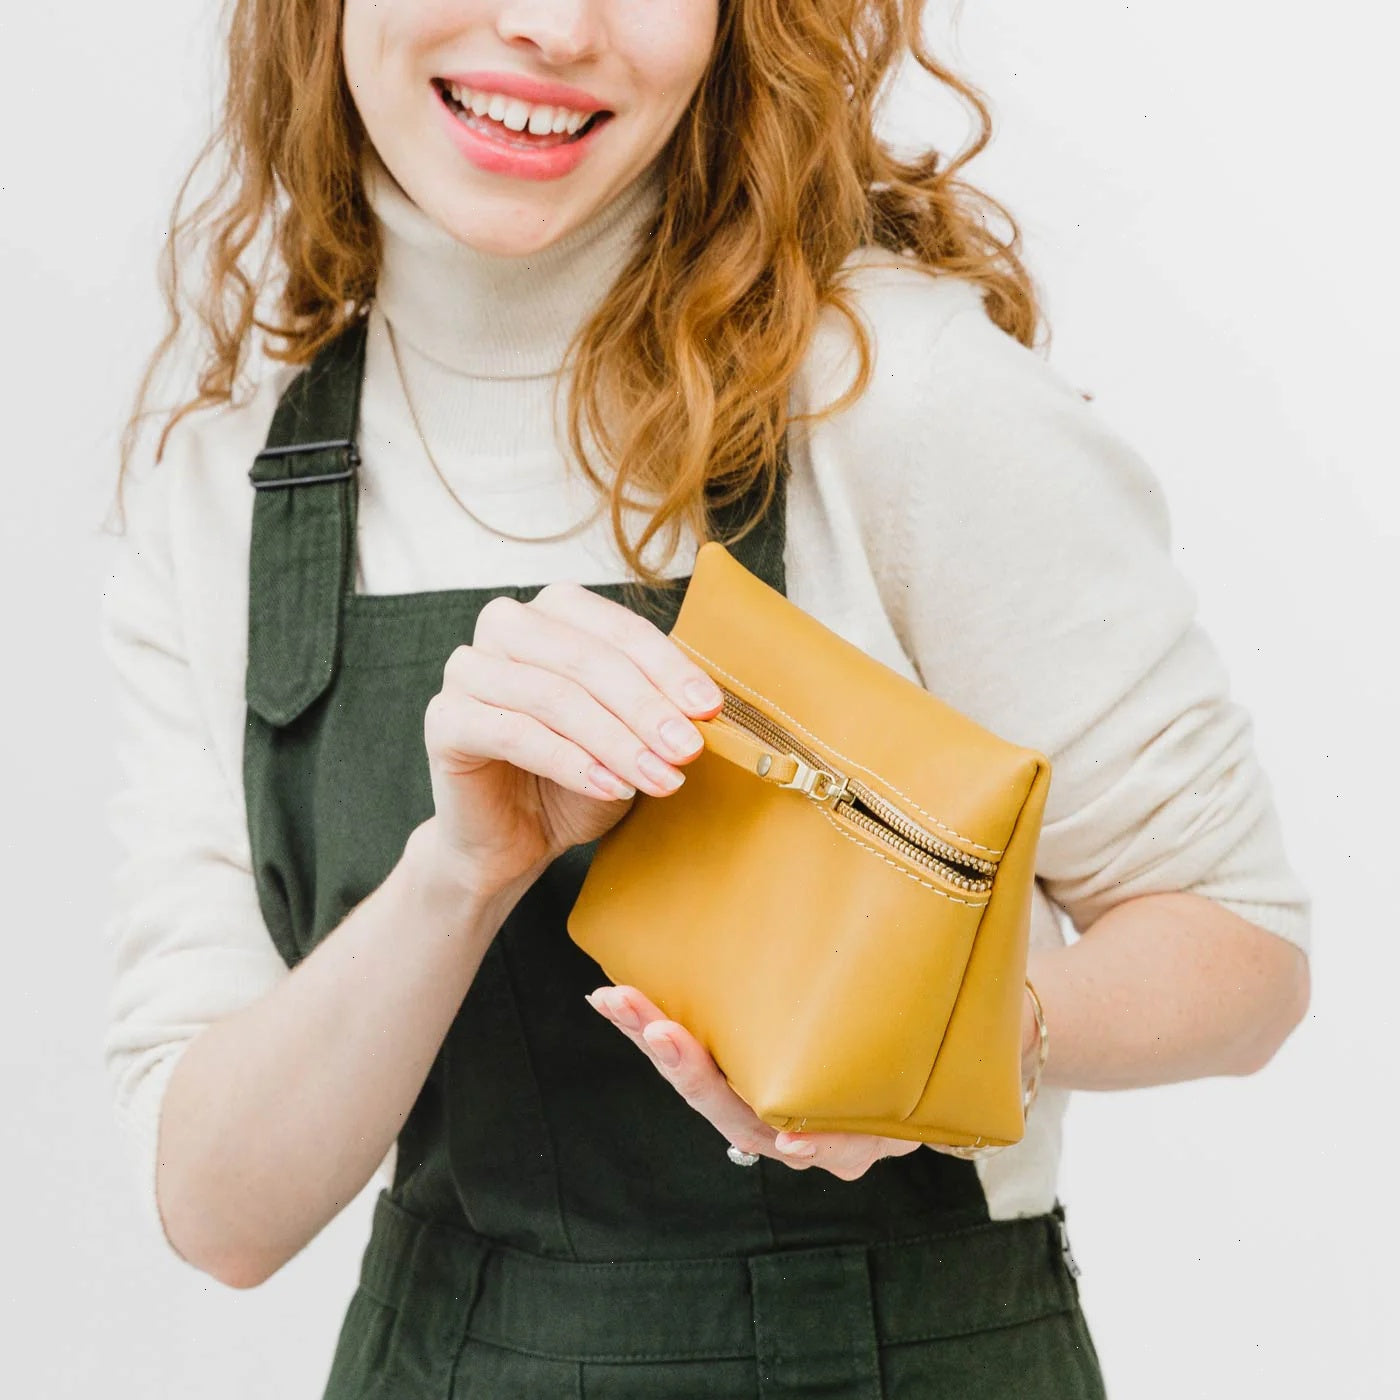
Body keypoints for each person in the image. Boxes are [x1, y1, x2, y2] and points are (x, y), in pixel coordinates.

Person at [100, 1, 1312, 1396]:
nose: (551, 25)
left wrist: (951, 1050)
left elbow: (1246, 950)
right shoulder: (225, 488)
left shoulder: (893, 393)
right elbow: (222, 1215)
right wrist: (459, 874)